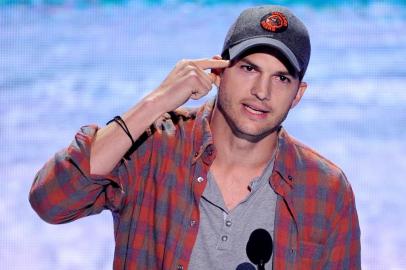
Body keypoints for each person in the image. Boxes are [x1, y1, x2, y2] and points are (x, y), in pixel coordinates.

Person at [29, 5, 361, 270]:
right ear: (218, 71)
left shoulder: (326, 189)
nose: (262, 92)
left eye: (281, 78)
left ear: (298, 94)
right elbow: (50, 201)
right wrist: (154, 102)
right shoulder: (153, 148)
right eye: (249, 69)